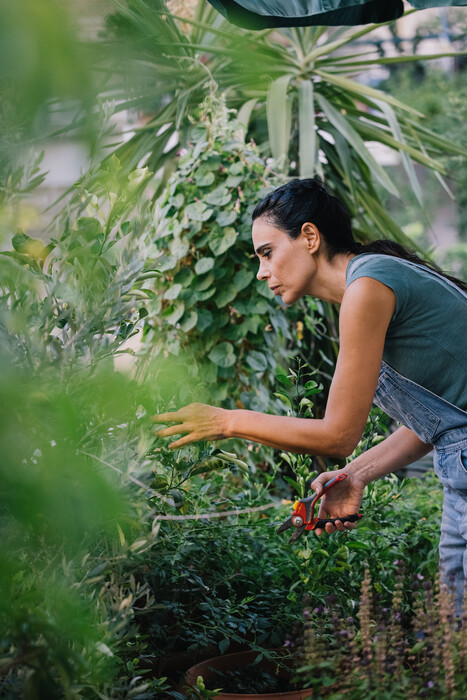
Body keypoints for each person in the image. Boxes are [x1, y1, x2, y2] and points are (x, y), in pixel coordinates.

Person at [153, 178, 467, 613]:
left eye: (267, 252)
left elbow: (338, 435)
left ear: (310, 237)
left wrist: (227, 421)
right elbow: (438, 424)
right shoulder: (371, 282)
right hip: (460, 477)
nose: (262, 271)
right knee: (456, 638)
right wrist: (356, 474)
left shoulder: (369, 286)